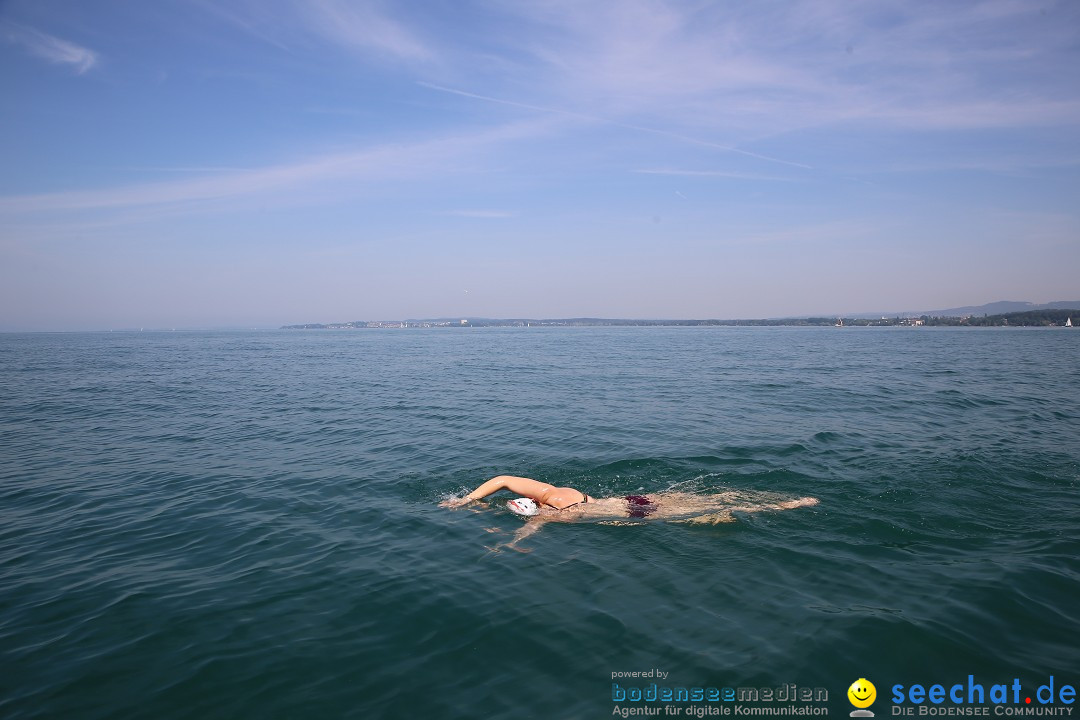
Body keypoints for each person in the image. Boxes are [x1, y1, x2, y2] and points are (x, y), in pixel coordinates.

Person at [441, 474, 819, 551]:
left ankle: (786, 505)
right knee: (713, 499)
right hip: (636, 500)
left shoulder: (554, 512)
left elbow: (532, 531)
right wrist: (467, 499)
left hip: (640, 516)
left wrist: (509, 542)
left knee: (714, 514)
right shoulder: (552, 492)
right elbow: (503, 478)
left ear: (531, 511)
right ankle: (783, 501)